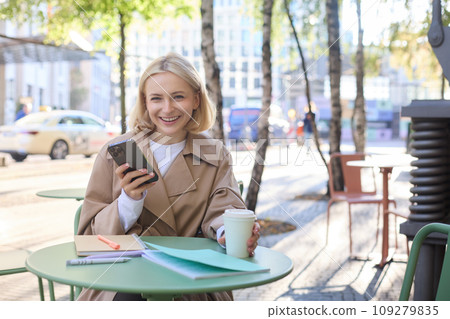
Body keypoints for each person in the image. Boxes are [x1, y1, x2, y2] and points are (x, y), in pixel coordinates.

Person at [77, 52, 260, 301]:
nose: (167, 108)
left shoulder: (213, 153)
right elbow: (88, 237)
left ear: (196, 99)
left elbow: (223, 208)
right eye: (156, 98)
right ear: (145, 102)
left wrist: (226, 232)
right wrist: (129, 201)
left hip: (190, 280)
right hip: (120, 278)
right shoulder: (115, 151)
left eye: (178, 97)